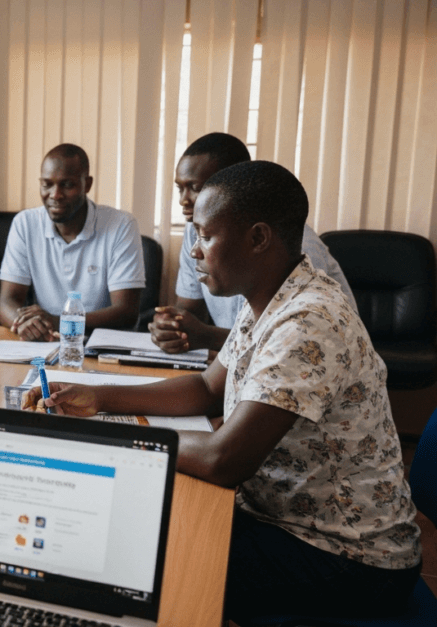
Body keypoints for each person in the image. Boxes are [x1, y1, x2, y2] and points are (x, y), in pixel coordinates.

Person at [25, 161, 421, 622]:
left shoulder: (309, 321)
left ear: (257, 238)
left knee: (135, 555)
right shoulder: (270, 299)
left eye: (204, 236)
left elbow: (222, 458)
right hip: (285, 521)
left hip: (349, 559)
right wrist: (101, 399)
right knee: (138, 514)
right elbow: (205, 389)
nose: (193, 251)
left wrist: (112, 440)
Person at [150, 132, 354, 353]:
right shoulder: (196, 232)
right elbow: (191, 312)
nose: (183, 200)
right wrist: (172, 327)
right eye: (180, 188)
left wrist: (208, 336)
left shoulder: (294, 250)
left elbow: (289, 340)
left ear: (233, 182)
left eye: (196, 188)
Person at [0, 144, 145, 341]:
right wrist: (24, 322)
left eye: (67, 185)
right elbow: (7, 301)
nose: (55, 195)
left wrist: (61, 321)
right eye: (47, 184)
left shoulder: (121, 225)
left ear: (88, 184)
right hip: (47, 341)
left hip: (101, 343)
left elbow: (126, 312)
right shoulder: (25, 223)